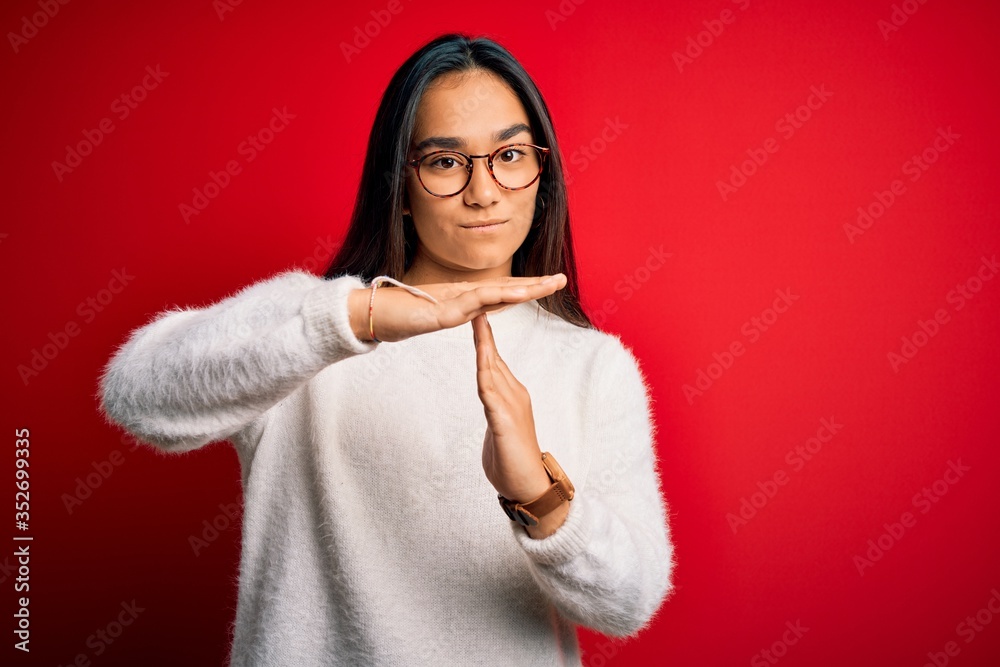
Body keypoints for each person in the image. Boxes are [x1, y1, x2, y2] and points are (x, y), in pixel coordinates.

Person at [98, 33, 674, 667]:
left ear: (543, 174)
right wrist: (355, 317)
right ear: (399, 187)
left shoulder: (594, 366)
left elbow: (631, 602)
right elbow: (136, 395)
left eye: (510, 155)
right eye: (446, 162)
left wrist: (538, 495)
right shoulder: (309, 331)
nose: (484, 192)